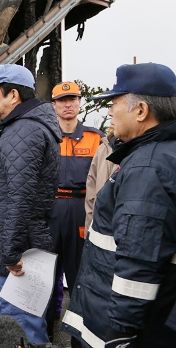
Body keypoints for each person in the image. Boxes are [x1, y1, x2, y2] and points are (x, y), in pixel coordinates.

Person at [62, 62, 176, 347]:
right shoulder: (158, 154)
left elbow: (139, 263)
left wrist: (120, 335)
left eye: (115, 103)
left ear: (141, 111)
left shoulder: (147, 167)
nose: (110, 111)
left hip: (126, 325)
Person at [0, 63, 62, 345]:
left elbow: (19, 198)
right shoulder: (24, 129)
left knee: (16, 330)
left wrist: (10, 254)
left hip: (12, 258)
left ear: (13, 95)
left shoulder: (25, 132)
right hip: (15, 248)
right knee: (20, 327)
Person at [46, 82, 103, 343]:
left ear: (80, 102)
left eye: (73, 99)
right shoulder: (46, 136)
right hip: (51, 210)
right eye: (62, 100)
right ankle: (45, 330)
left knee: (80, 276)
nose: (68, 104)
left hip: (82, 209)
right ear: (54, 105)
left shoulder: (96, 138)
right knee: (46, 275)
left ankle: (80, 337)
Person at [84, 127, 119, 230]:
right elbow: (91, 191)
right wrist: (88, 230)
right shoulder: (103, 147)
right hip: (98, 230)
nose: (110, 113)